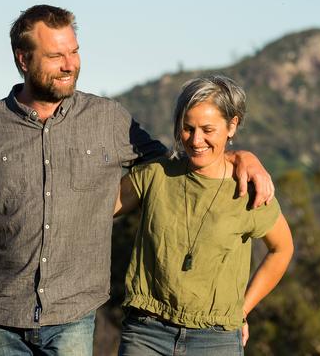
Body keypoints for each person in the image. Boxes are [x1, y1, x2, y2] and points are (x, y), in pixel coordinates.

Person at [0, 5, 275, 356]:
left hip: (73, 314)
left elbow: (183, 157)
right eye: (56, 55)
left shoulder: (109, 119)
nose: (69, 64)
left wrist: (239, 155)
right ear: (23, 60)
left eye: (74, 51)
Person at [114, 75, 294, 355]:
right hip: (147, 334)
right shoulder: (156, 175)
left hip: (216, 340)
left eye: (207, 129)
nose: (196, 140)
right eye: (188, 128)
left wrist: (243, 309)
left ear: (231, 125)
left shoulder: (248, 188)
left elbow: (282, 249)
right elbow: (95, 210)